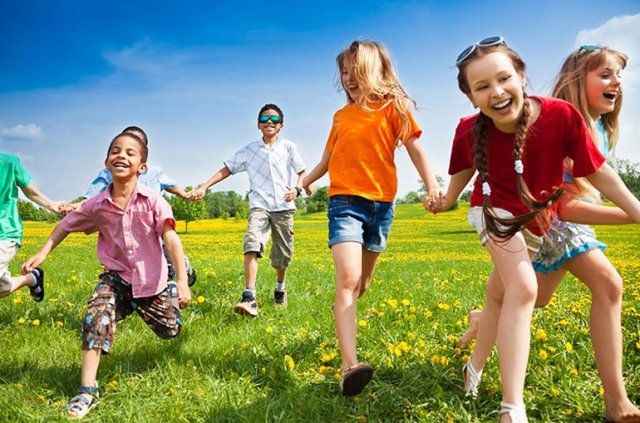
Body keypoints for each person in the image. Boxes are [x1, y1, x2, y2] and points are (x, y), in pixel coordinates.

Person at [428, 36, 640, 422]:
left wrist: (635, 210)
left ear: (521, 76)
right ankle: (512, 408)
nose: (497, 91)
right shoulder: (467, 131)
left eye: (504, 78)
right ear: (471, 97)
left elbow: (598, 172)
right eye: (482, 87)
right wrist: (442, 200)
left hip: (537, 217)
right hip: (493, 212)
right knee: (523, 289)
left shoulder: (561, 116)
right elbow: (459, 181)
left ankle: (472, 367)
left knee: (501, 294)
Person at [302, 40, 442, 397]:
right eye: (344, 72)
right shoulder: (340, 117)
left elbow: (415, 149)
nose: (348, 78)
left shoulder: (394, 108)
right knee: (347, 279)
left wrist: (432, 187)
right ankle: (350, 367)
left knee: (361, 284)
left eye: (355, 70)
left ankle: (341, 311)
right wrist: (306, 181)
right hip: (344, 202)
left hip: (382, 206)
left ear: (375, 70)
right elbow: (327, 160)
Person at [21, 131, 192, 419]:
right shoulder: (96, 205)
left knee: (170, 331)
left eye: (130, 153)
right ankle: (88, 390)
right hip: (117, 278)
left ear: (142, 167)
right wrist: (43, 253)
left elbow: (171, 239)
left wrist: (182, 281)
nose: (122, 155)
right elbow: (66, 225)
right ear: (106, 162)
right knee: (96, 316)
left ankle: (172, 296)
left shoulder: (153, 201)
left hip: (153, 283)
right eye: (116, 150)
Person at [190, 104, 305, 316]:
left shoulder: (289, 147)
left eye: (274, 119)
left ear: (281, 125)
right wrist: (204, 186)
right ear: (258, 124)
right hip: (259, 205)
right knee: (252, 240)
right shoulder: (249, 150)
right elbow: (227, 169)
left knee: (283, 254)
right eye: (264, 118)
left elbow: (302, 172)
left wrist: (297, 189)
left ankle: (280, 287)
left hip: (283, 207)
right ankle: (249, 296)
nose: (269, 122)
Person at [61, 126, 197, 287]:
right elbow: (91, 198)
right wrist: (74, 205)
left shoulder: (154, 171)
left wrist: (185, 195)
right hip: (129, 233)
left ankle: (183, 270)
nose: (124, 153)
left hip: (156, 230)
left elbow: (170, 185)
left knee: (170, 263)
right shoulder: (109, 172)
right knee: (153, 272)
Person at [0, 153, 61, 301]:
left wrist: (54, 206)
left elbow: (31, 191)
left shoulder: (8, 163)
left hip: (5, 233)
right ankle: (32, 278)